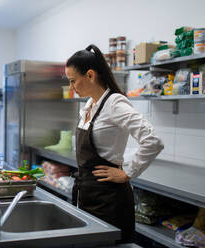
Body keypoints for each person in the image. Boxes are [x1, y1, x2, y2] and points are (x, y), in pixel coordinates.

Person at [65, 44, 164, 243]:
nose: (71, 87)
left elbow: (152, 141)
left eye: (73, 81)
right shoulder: (89, 105)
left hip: (110, 201)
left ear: (91, 75)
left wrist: (128, 173)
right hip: (88, 195)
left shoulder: (115, 103)